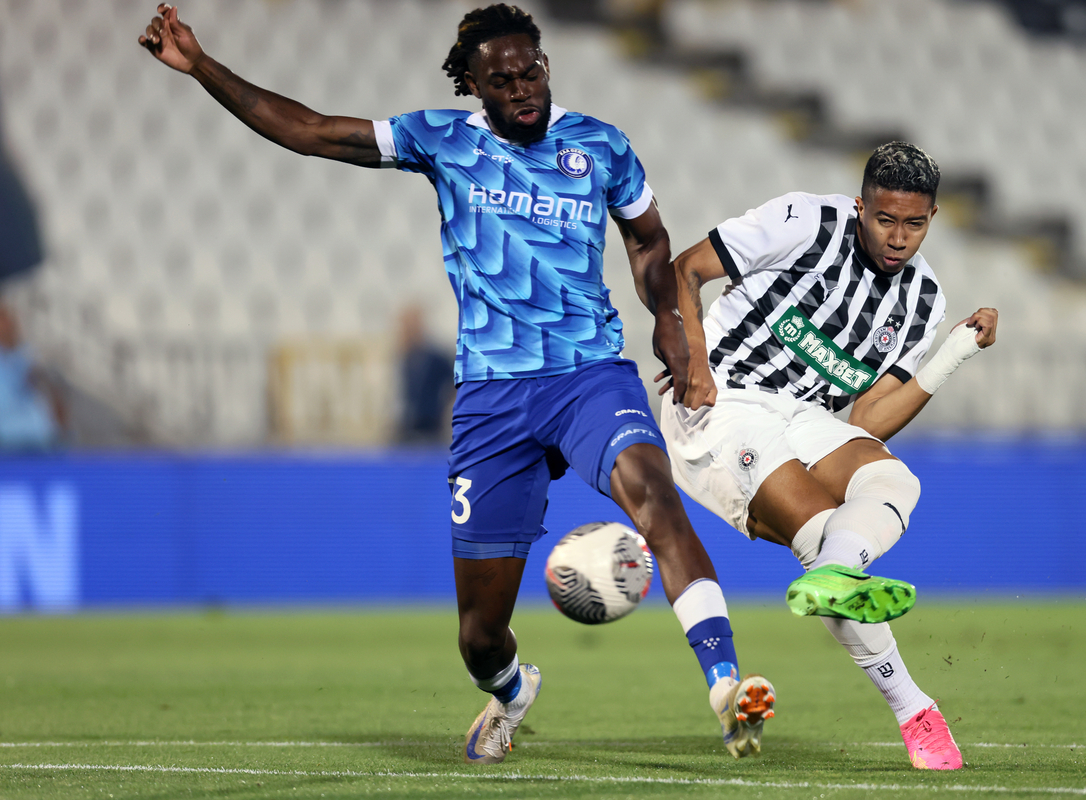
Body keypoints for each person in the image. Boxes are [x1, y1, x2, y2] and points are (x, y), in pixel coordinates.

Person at [139, 2, 774, 763]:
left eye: (530, 72)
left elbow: (649, 238)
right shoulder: (439, 140)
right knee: (478, 635)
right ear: (474, 85)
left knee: (656, 495)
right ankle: (511, 690)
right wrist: (202, 66)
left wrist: (667, 320)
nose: (521, 88)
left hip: (590, 374)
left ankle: (726, 685)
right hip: (493, 397)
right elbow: (309, 132)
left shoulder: (601, 146)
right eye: (501, 80)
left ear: (546, 67)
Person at [663, 142, 998, 770]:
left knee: (895, 482)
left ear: (932, 218)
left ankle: (836, 571)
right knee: (819, 530)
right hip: (723, 402)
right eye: (885, 219)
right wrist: (695, 359)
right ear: (859, 206)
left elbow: (869, 420)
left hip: (803, 416)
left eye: (916, 224)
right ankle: (916, 710)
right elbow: (686, 269)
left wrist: (951, 354)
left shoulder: (924, 300)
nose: (899, 238)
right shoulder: (805, 221)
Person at [0, 301, 63, 451]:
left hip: (40, 441)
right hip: (7, 444)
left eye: (6, 319)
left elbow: (54, 399)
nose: (5, 325)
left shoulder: (29, 355)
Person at [393, 305, 454, 444]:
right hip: (408, 426)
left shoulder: (436, 357)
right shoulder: (405, 358)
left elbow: (454, 384)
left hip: (430, 425)